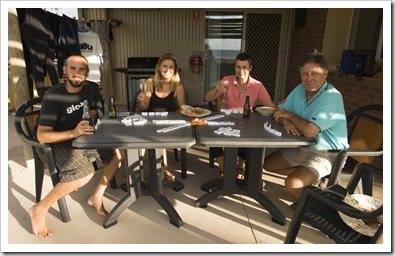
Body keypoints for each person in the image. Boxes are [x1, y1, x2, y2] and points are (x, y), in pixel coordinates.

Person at [32, 54, 125, 239]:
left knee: (119, 152)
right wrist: (73, 133)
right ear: (64, 70)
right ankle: (39, 209)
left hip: (82, 137)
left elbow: (93, 113)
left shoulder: (91, 88)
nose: (77, 73)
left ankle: (96, 196)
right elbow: (42, 136)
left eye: (82, 69)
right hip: (56, 142)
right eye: (72, 68)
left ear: (87, 72)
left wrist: (91, 120)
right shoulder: (53, 95)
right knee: (85, 172)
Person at [263, 53, 348, 199]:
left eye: (314, 73)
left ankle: (322, 208)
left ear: (325, 74)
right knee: (266, 164)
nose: (309, 79)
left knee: (292, 184)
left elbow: (309, 131)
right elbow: (278, 110)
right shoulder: (300, 89)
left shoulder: (331, 96)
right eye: (305, 74)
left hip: (327, 154)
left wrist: (290, 116)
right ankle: (310, 179)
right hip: (304, 148)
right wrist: (286, 120)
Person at [205, 52, 277, 180]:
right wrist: (216, 89)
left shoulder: (257, 85)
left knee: (249, 137)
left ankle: (240, 165)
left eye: (244, 67)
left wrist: (283, 110)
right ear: (235, 67)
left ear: (250, 68)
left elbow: (270, 105)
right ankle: (223, 168)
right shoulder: (227, 80)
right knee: (211, 136)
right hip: (225, 118)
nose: (241, 71)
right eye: (238, 67)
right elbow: (208, 98)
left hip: (246, 120)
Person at [137, 53, 186, 181]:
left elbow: (183, 109)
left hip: (168, 121)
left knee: (161, 137)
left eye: (171, 67)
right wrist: (142, 101)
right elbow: (143, 108)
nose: (167, 69)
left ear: (174, 70)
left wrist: (173, 118)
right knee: (141, 139)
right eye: (165, 66)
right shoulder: (150, 82)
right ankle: (136, 171)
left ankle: (164, 168)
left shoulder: (178, 87)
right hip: (148, 120)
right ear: (159, 67)